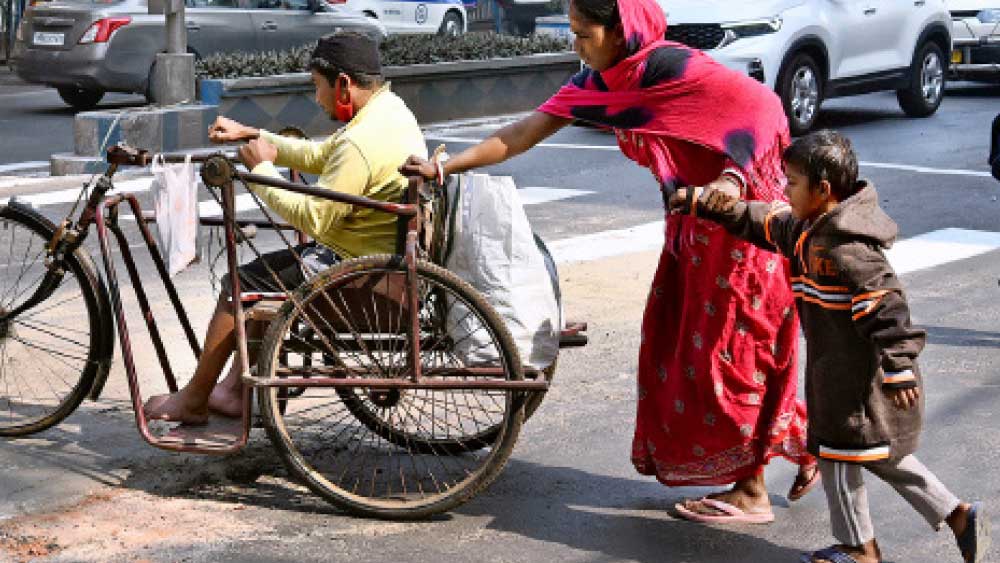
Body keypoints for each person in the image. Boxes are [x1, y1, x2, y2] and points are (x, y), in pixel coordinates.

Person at [401, 0, 817, 522]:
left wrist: (731, 181)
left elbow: (760, 110)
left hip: (739, 229)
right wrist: (444, 164)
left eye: (583, 33)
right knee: (682, 347)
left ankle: (752, 489)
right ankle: (801, 444)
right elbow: (521, 133)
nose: (575, 44)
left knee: (729, 353)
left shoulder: (673, 69)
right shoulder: (605, 82)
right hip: (694, 227)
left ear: (620, 33)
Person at [669, 130, 989, 563]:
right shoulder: (806, 231)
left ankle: (860, 549)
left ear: (823, 190)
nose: (784, 190)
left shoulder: (847, 250)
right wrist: (706, 203)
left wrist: (899, 367)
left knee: (839, 458)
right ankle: (958, 516)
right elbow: (761, 220)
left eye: (793, 182)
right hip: (837, 375)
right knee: (880, 456)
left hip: (856, 383)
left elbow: (890, 310)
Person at [144, 32, 428, 424]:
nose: (316, 98)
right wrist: (255, 136)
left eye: (317, 86)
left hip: (358, 273)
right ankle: (233, 391)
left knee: (241, 284)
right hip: (377, 261)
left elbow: (314, 217)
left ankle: (195, 398)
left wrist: (260, 170)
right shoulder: (389, 111)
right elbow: (321, 155)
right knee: (266, 274)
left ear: (343, 84)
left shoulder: (361, 141)